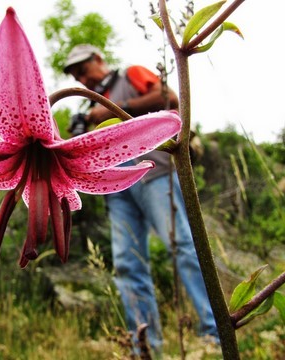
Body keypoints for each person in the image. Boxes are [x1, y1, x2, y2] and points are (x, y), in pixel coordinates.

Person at [63, 44, 219, 353]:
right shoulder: (95, 104)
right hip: (116, 188)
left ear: (99, 59)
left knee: (183, 246)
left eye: (83, 71)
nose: (83, 81)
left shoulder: (131, 74)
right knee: (126, 263)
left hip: (156, 173)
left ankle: (214, 334)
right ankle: (145, 348)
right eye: (77, 77)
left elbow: (170, 99)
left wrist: (109, 108)